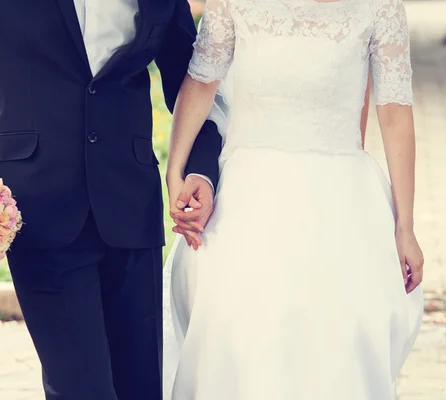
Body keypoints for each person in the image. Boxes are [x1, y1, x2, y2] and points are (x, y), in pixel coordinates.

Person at [0, 1, 225, 399]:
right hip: (35, 207)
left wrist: (200, 171)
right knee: (82, 388)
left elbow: (196, 80)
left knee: (140, 387)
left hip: (131, 205)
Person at [164, 0, 424, 399]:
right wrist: (175, 170)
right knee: (236, 321)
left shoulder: (380, 7)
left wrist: (405, 227)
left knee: (343, 331)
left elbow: (393, 113)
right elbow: (201, 83)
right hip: (249, 195)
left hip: (342, 198)